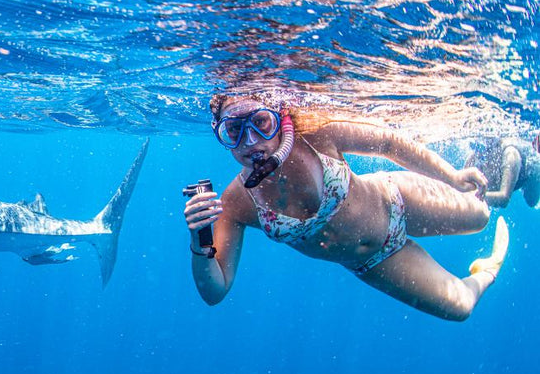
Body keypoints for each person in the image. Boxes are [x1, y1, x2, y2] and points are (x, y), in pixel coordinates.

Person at [183, 94, 510, 321]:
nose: (250, 142)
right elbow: (216, 290)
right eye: (234, 132)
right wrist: (200, 239)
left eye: (261, 123)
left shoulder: (316, 134)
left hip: (399, 200)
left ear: (280, 118)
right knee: (462, 307)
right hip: (376, 261)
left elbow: (388, 141)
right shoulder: (237, 202)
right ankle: (489, 269)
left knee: (480, 215)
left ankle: (506, 169)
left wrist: (451, 175)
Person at [463, 135, 540, 208]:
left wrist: (470, 197)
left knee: (531, 201)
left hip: (530, 172)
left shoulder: (510, 155)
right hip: (506, 170)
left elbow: (504, 199)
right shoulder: (474, 157)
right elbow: (461, 186)